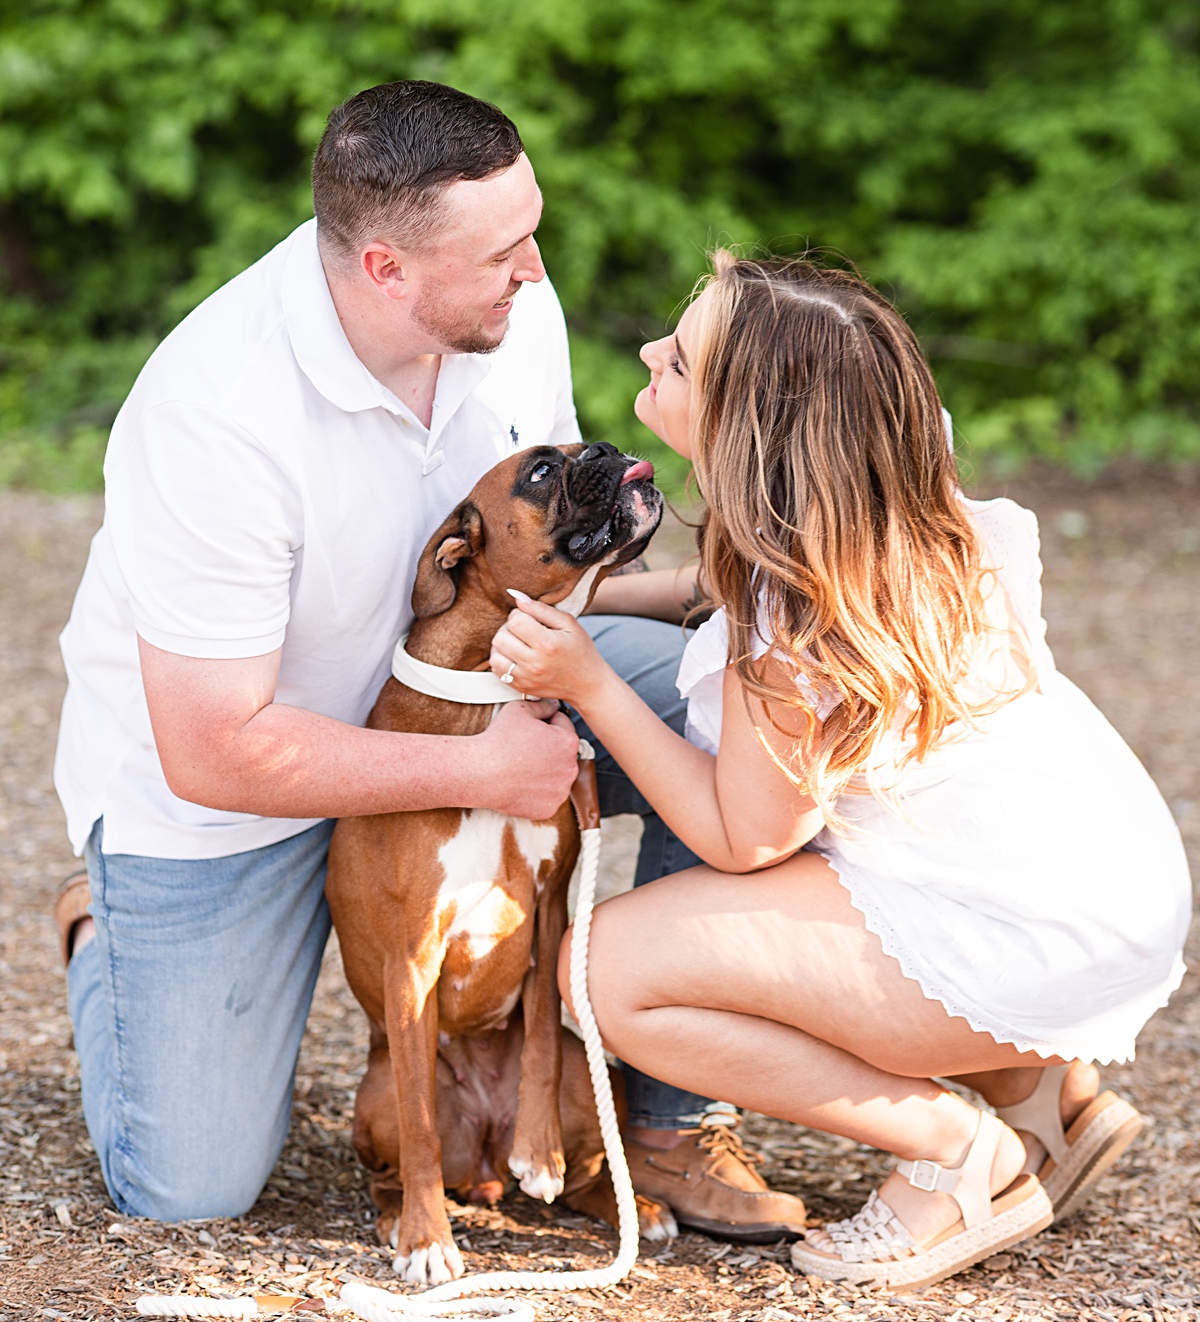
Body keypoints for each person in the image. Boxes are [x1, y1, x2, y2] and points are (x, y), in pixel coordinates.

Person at [51, 80, 804, 1239]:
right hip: (243, 786)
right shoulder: (213, 413)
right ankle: (104, 934)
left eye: (531, 230)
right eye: (506, 250)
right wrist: (477, 775)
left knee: (733, 713)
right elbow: (216, 749)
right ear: (386, 271)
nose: (539, 271)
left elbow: (535, 567)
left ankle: (662, 1117)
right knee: (188, 1188)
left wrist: (696, 597)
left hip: (481, 685)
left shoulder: (506, 311)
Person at [488, 252, 1193, 1292]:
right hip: (1104, 875)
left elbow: (743, 838)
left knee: (606, 972)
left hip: (1027, 927)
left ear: (743, 431)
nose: (647, 354)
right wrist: (599, 602)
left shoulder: (793, 623)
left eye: (677, 363)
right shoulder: (875, 488)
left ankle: (956, 1152)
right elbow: (718, 586)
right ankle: (1045, 1098)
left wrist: (589, 684)